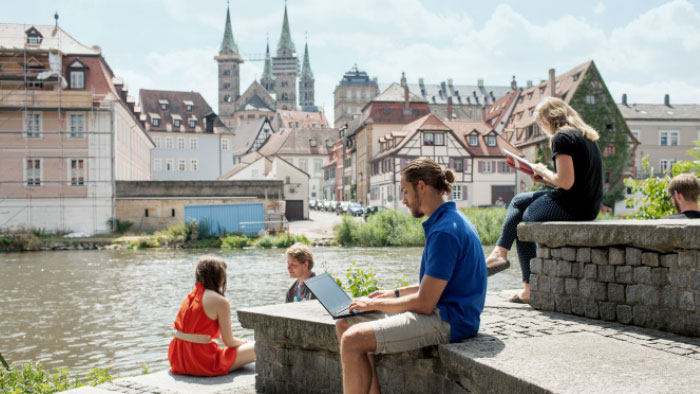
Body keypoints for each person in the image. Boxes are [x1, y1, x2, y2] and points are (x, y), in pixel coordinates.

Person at [335, 158, 487, 394]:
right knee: (345, 323)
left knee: (353, 339)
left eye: (405, 191)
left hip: (449, 320)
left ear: (422, 186)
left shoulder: (445, 232)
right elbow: (433, 284)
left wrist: (375, 303)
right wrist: (391, 294)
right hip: (444, 309)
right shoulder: (449, 221)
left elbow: (425, 304)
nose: (403, 200)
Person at [486, 97, 603, 304]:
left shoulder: (562, 137)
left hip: (573, 205)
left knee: (525, 221)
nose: (541, 128)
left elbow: (565, 182)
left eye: (540, 122)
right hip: (587, 205)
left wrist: (543, 170)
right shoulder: (585, 137)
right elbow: (574, 182)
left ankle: (529, 288)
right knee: (519, 201)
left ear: (549, 119)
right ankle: (500, 252)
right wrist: (545, 178)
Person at [168, 256, 255, 376]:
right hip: (202, 362)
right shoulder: (220, 301)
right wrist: (246, 341)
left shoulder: (189, 297)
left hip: (177, 359)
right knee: (258, 346)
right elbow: (229, 341)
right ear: (220, 277)